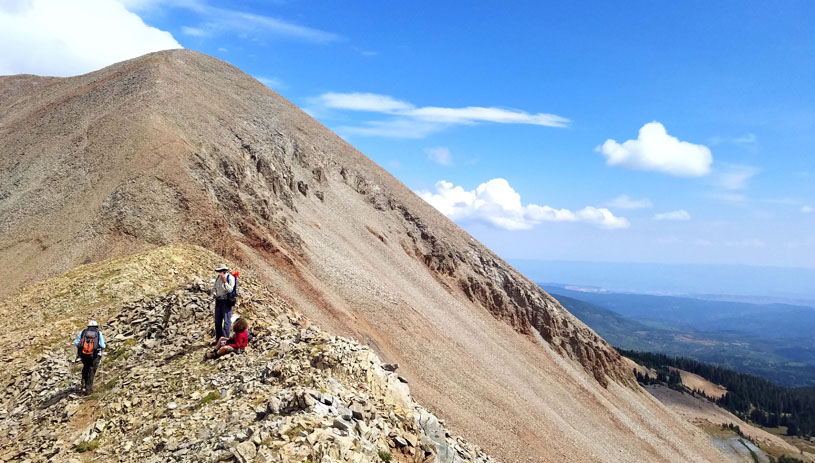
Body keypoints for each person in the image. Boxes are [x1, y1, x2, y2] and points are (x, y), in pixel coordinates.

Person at [74, 320, 106, 394]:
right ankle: (89, 389)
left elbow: (76, 343)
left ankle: (83, 385)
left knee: (85, 367)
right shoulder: (98, 333)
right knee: (92, 370)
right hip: (95, 355)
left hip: (84, 355)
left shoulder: (83, 332)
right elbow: (102, 345)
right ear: (96, 326)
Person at [212, 264, 235, 345]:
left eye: (221, 271)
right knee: (217, 322)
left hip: (226, 302)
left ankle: (224, 341)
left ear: (225, 271)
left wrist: (225, 281)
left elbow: (230, 290)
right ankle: (218, 340)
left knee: (226, 322)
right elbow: (214, 287)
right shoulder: (218, 278)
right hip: (218, 301)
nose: (220, 273)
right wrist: (214, 293)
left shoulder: (231, 278)